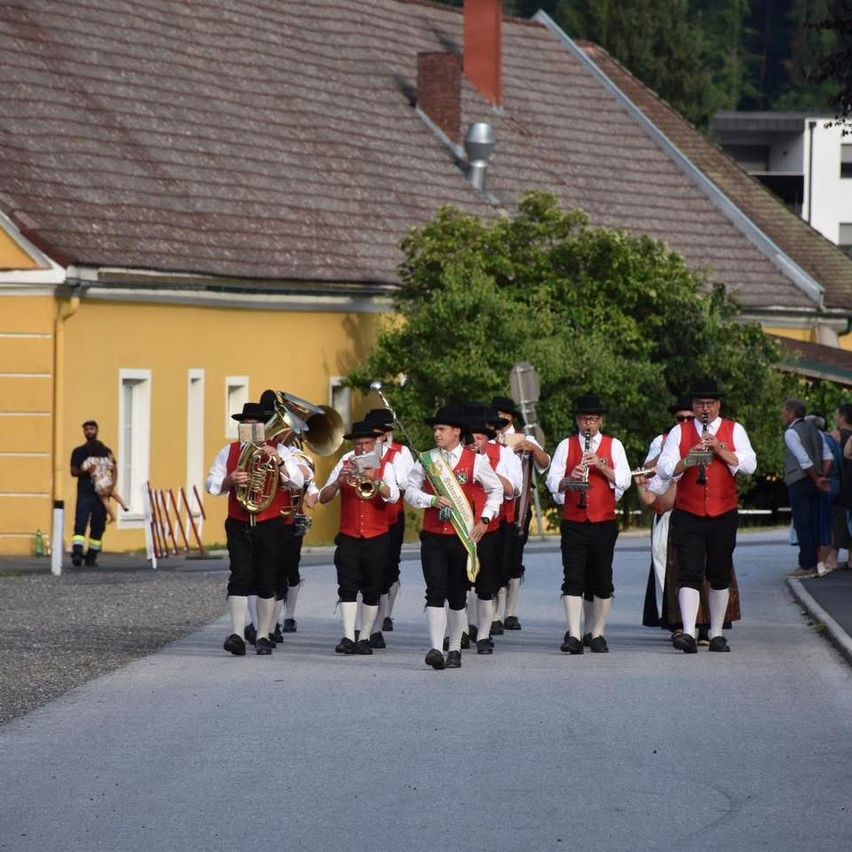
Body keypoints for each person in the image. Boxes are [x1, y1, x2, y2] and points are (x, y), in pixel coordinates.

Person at [657, 379, 757, 653]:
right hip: (688, 511)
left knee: (719, 573)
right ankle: (689, 632)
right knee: (689, 571)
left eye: (710, 404)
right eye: (700, 404)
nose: (705, 409)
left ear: (718, 406)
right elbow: (664, 469)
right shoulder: (679, 432)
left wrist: (721, 449)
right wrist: (688, 459)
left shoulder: (734, 430)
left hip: (723, 512)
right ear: (693, 406)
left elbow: (750, 465)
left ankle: (716, 632)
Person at [404, 406, 502, 670]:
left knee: (458, 595)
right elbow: (409, 491)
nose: (436, 434)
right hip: (433, 535)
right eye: (435, 429)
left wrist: (484, 519)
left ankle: (455, 648)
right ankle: (436, 648)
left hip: (462, 536)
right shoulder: (427, 459)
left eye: (441, 429)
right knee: (435, 592)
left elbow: (496, 490)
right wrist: (431, 499)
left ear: (456, 432)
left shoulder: (475, 461)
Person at [637, 397, 741, 643]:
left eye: (689, 418)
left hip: (712, 512)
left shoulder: (721, 434)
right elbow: (652, 487)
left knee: (715, 571)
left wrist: (718, 451)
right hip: (677, 513)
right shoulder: (664, 441)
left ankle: (711, 628)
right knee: (681, 572)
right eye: (680, 418)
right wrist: (677, 461)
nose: (685, 421)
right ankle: (682, 626)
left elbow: (740, 465)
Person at [206, 402, 306, 656]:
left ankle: (263, 634)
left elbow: (298, 481)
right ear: (240, 428)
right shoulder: (228, 451)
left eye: (255, 426)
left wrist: (279, 462)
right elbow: (212, 483)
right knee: (239, 576)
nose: (250, 430)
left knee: (267, 578)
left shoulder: (279, 450)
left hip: (270, 523)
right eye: (245, 425)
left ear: (264, 428)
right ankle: (237, 635)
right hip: (238, 521)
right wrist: (230, 480)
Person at [546, 394, 630, 655]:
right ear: (577, 421)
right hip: (574, 522)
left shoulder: (614, 445)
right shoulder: (566, 445)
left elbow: (624, 480)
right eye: (584, 419)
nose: (588, 424)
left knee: (602, 580)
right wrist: (569, 479)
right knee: (573, 578)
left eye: (592, 420)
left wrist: (601, 466)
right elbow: (552, 482)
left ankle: (597, 633)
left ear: (600, 421)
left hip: (603, 522)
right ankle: (574, 634)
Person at [319, 420, 400, 655]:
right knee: (347, 586)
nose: (362, 448)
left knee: (372, 589)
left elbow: (393, 496)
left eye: (367, 443)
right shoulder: (344, 464)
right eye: (358, 444)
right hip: (349, 535)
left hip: (377, 537)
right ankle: (348, 636)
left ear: (375, 444)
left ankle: (364, 636)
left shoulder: (385, 466)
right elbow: (324, 497)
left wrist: (376, 481)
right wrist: (338, 482)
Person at [491, 395, 550, 631]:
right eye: (496, 414)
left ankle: (511, 612)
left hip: (519, 508)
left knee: (514, 559)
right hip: (493, 508)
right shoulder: (486, 438)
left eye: (503, 414)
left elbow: (545, 463)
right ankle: (493, 614)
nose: (500, 418)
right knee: (493, 559)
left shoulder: (525, 438)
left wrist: (532, 448)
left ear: (511, 417)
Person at [364, 407, 415, 646]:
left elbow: (407, 483)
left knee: (389, 568)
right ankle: (366, 621)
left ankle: (385, 615)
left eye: (379, 433)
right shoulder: (359, 453)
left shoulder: (401, 453)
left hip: (392, 518)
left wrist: (389, 470)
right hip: (366, 518)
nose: (375, 437)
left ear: (386, 434)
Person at [781, 399, 830, 578]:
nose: (783, 415)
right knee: (814, 522)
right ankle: (816, 562)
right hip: (815, 482)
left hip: (799, 480)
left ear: (791, 413)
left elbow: (803, 459)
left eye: (784, 412)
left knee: (802, 523)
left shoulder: (791, 432)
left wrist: (816, 478)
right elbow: (828, 457)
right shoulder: (816, 431)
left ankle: (806, 564)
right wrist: (821, 477)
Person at [69, 420, 117, 567]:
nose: (89, 431)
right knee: (80, 524)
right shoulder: (79, 452)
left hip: (101, 494)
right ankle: (77, 554)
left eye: (91, 429)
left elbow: (114, 469)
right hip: (85, 492)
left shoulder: (106, 451)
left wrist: (111, 487)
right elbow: (73, 471)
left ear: (97, 430)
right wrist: (85, 471)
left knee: (98, 525)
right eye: (86, 429)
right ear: (84, 432)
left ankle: (92, 555)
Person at [830, 403, 852, 570]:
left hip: (841, 484)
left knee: (837, 521)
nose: (836, 418)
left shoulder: (835, 436)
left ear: (843, 417)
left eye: (837, 415)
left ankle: (833, 559)